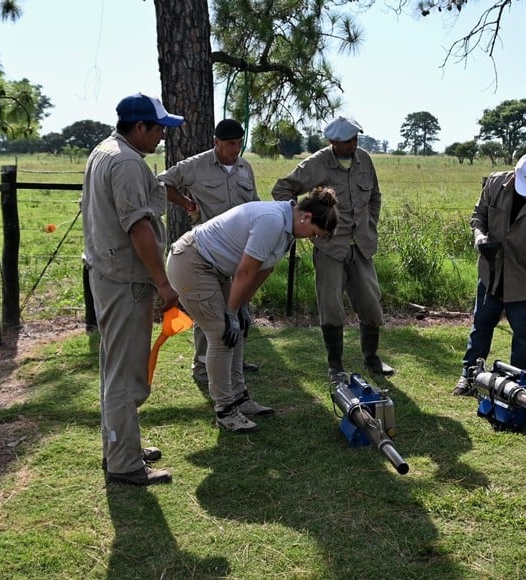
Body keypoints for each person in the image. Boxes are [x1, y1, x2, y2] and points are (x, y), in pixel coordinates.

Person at [82, 93, 191, 486]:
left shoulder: (106, 150)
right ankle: (125, 463)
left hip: (108, 274)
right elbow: (139, 228)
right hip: (126, 280)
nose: (163, 135)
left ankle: (120, 446)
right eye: (159, 127)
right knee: (126, 375)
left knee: (114, 368)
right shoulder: (127, 162)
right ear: (140, 127)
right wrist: (163, 283)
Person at [166, 187, 339, 433]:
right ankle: (225, 410)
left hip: (215, 268)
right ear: (306, 217)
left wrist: (242, 307)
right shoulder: (272, 221)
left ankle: (240, 398)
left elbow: (261, 270)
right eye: (314, 233)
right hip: (191, 261)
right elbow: (245, 271)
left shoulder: (289, 232)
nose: (311, 239)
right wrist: (230, 311)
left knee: (238, 330)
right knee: (221, 333)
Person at [271, 116, 394, 383]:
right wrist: (301, 222)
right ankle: (335, 365)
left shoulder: (364, 160)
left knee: (371, 304)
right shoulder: (316, 163)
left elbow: (375, 196)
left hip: (361, 245)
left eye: (355, 140)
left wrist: (370, 222)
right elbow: (282, 189)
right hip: (329, 246)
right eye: (347, 141)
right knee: (331, 307)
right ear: (332, 142)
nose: (353, 145)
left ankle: (372, 358)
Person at [452, 151, 526, 396]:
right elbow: (478, 217)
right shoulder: (495, 183)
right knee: (481, 326)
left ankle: (516, 387)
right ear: (516, 173)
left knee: (524, 336)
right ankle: (470, 376)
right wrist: (479, 236)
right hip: (491, 271)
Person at [158, 119, 262, 400]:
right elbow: (163, 183)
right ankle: (202, 365)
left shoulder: (244, 168)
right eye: (230, 143)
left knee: (238, 307)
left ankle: (233, 363)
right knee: (210, 310)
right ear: (216, 142)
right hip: (207, 251)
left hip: (238, 251)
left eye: (240, 143)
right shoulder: (196, 165)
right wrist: (187, 204)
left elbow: (254, 202)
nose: (235, 148)